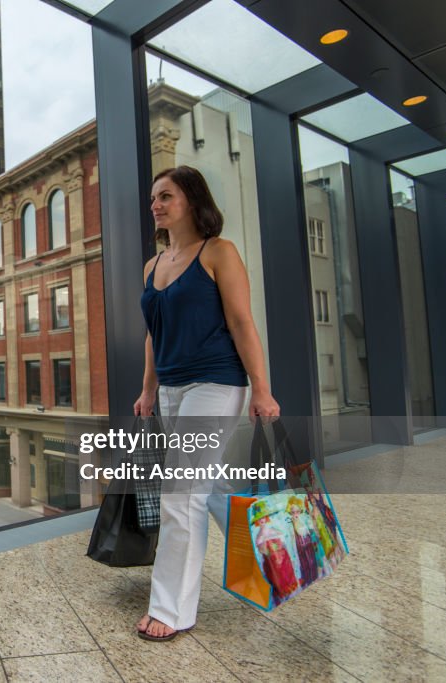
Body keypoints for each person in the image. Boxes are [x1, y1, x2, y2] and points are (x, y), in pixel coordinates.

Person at [133, 165, 280, 642]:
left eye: (166, 196)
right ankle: (267, 557)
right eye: (154, 197)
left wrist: (261, 388)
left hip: (217, 383)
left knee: (180, 494)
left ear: (192, 201)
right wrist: (148, 388)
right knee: (204, 489)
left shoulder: (219, 252)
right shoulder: (153, 265)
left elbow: (241, 323)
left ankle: (171, 609)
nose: (155, 203)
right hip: (173, 388)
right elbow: (154, 336)